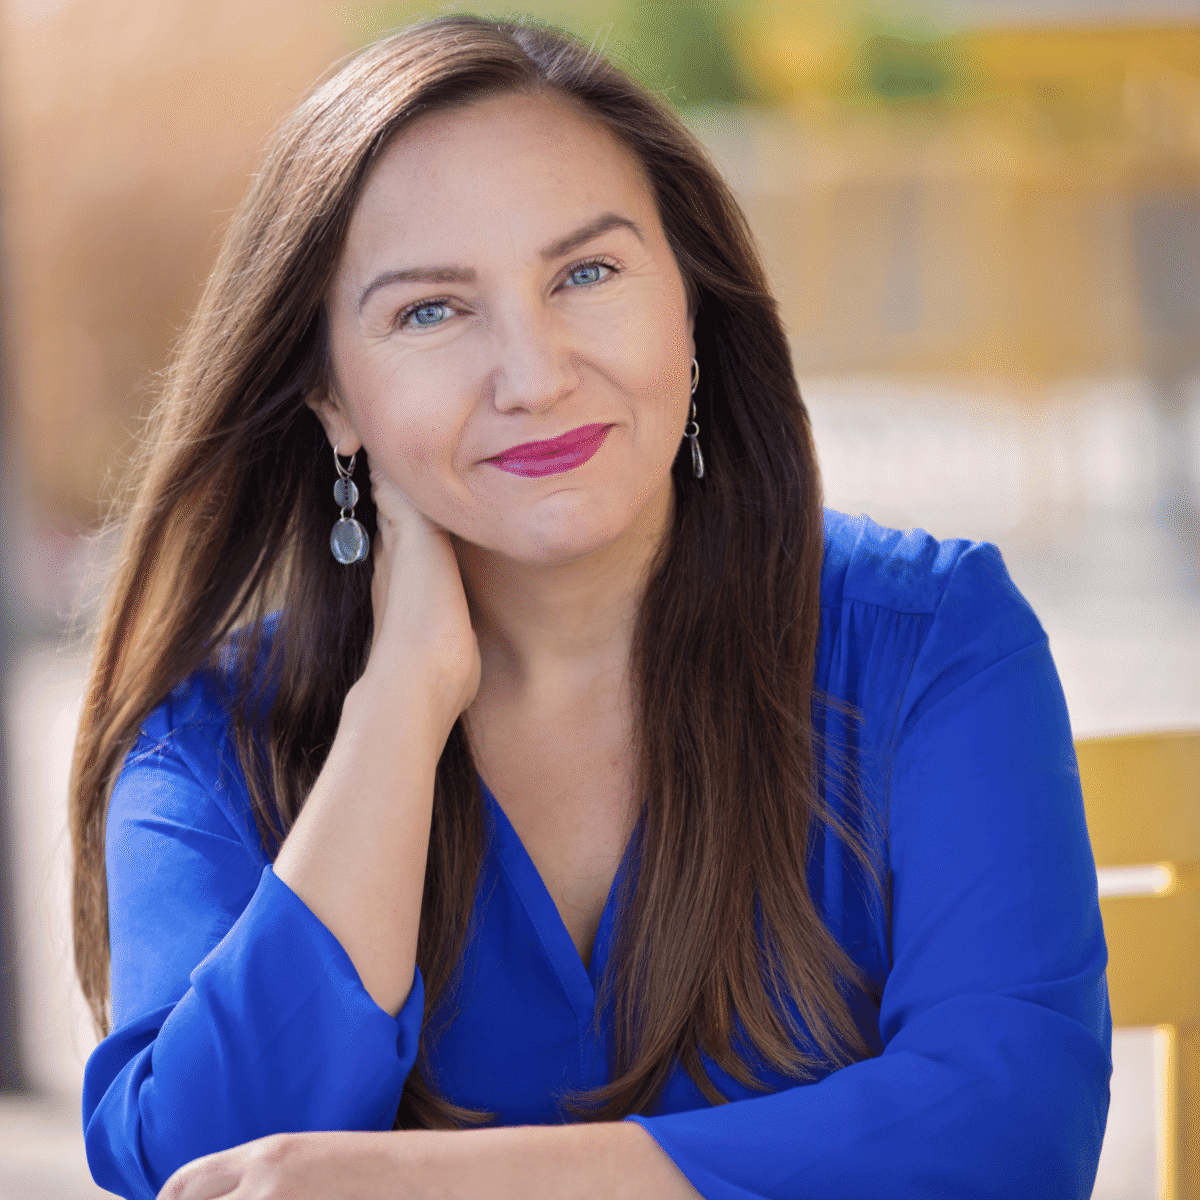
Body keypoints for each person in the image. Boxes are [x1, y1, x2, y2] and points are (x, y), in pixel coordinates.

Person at [70, 13, 1112, 1200]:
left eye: (587, 274)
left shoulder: (933, 644)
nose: (536, 376)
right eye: (430, 311)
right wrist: (400, 707)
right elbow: (202, 1165)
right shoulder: (210, 744)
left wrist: (434, 1186)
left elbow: (1015, 1132)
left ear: (691, 304)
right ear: (332, 397)